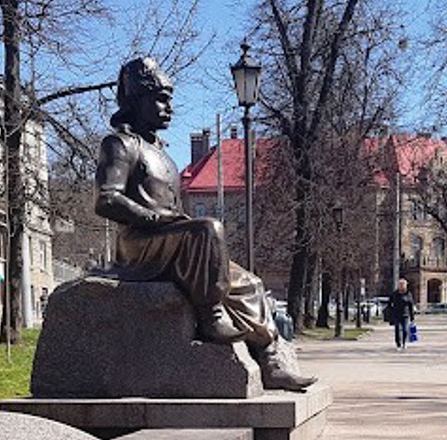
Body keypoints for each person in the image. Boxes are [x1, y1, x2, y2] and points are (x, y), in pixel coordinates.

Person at [94, 57, 315, 392]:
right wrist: (152, 217)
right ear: (136, 101)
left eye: (170, 98)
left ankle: (270, 361)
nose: (169, 107)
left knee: (251, 283)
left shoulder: (162, 152)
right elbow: (106, 199)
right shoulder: (120, 145)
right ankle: (211, 318)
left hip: (175, 242)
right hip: (141, 244)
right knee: (208, 229)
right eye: (160, 98)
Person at [387, 278, 416, 349]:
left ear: (406, 286)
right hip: (396, 315)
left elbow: (411, 305)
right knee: (397, 329)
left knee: (405, 329)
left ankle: (404, 342)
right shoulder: (394, 294)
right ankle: (398, 343)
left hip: (405, 315)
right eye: (400, 285)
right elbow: (389, 303)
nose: (402, 286)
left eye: (403, 285)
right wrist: (391, 312)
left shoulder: (408, 294)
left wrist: (412, 317)